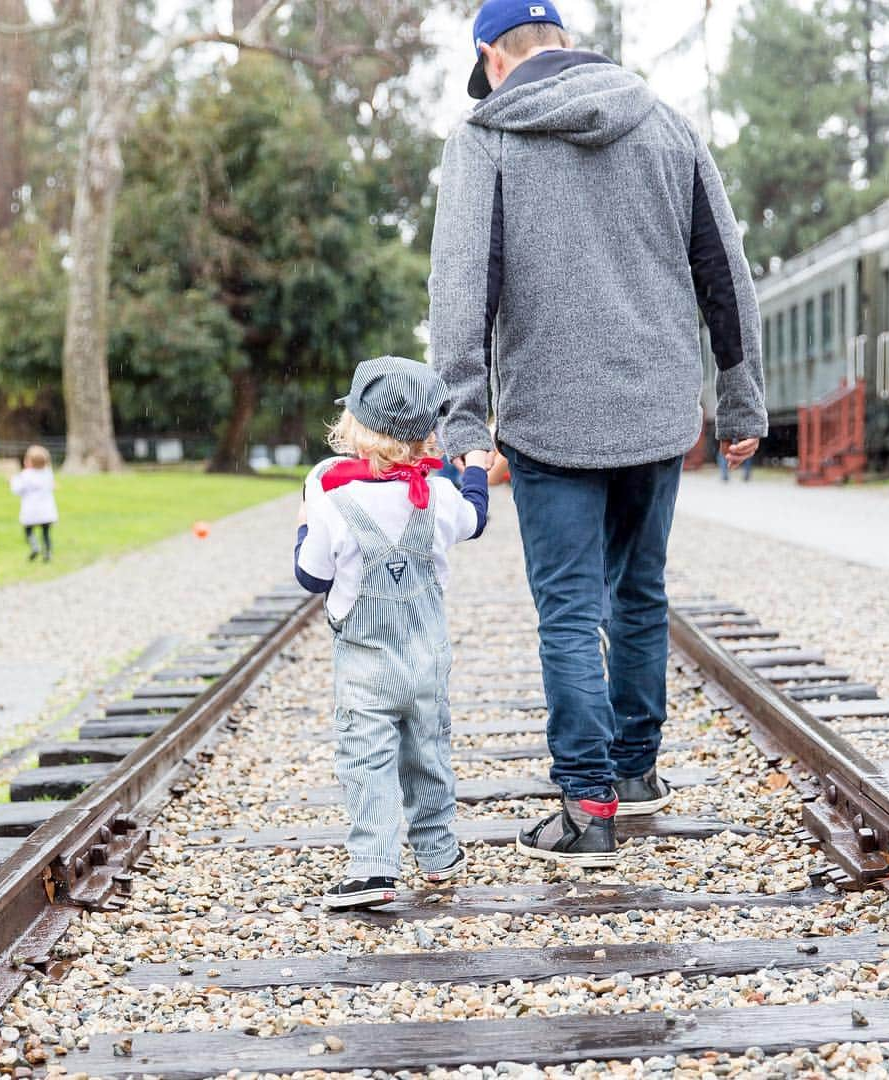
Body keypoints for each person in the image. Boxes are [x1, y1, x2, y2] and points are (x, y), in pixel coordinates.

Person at [429, 0, 767, 867]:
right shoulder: (668, 126)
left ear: (491, 59)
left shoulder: (487, 138)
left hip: (550, 417)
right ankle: (638, 772)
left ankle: (589, 808)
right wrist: (740, 402)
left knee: (571, 612)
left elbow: (461, 294)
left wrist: (465, 425)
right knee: (640, 595)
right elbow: (724, 272)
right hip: (657, 412)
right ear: (567, 46)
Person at [294, 356, 490, 908]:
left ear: (353, 425)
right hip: (426, 661)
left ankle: (373, 866)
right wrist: (474, 467)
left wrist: (304, 521)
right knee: (428, 751)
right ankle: (438, 851)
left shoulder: (332, 498)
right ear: (428, 433)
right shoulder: (439, 493)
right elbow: (477, 518)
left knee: (367, 759)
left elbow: (311, 575)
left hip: (364, 666)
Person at [10, 445, 58, 562]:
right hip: (47, 511)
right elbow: (52, 485)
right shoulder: (47, 474)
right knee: (46, 533)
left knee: (29, 531)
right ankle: (47, 552)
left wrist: (12, 481)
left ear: (29, 462)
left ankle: (34, 546)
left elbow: (17, 490)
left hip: (31, 511)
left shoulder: (25, 475)